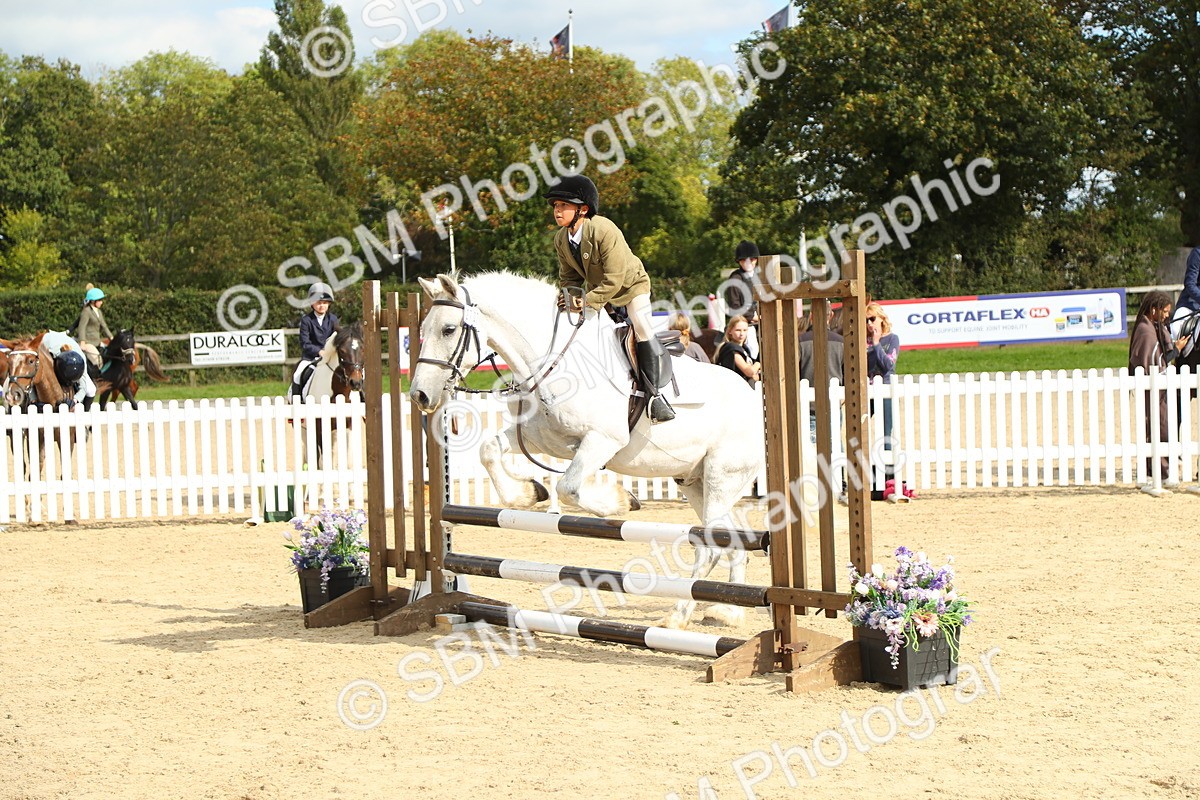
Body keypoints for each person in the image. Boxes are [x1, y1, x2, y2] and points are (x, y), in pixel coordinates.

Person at [546, 174, 675, 422]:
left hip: (630, 287)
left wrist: (586, 302)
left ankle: (655, 396)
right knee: (580, 330)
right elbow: (569, 278)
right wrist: (570, 299)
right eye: (555, 205)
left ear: (583, 209)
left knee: (641, 326)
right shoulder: (561, 239)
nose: (557, 210)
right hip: (600, 293)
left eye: (563, 205)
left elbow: (614, 279)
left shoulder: (604, 229)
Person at [1130, 290, 1189, 486]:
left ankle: (1157, 470)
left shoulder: (1152, 327)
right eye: (1164, 311)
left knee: (1160, 426)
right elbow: (1156, 362)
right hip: (1154, 388)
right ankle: (1161, 472)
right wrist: (1177, 350)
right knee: (1160, 427)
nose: (1166, 315)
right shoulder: (1146, 332)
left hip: (1157, 387)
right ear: (1154, 309)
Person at [290, 282, 339, 398]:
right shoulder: (306, 320)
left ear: (329, 304)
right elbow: (305, 343)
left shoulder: (333, 319)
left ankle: (362, 396)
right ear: (312, 303)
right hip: (311, 358)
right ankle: (296, 399)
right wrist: (319, 351)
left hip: (329, 357)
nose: (322, 305)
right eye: (319, 303)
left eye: (325, 303)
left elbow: (336, 338)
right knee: (298, 374)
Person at [865, 302, 900, 447]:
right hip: (868, 389)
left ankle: (888, 460)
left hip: (885, 388)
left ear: (881, 318)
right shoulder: (863, 340)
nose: (869, 323)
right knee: (861, 427)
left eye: (872, 319)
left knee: (886, 432)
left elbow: (888, 365)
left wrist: (876, 343)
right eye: (866, 320)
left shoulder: (892, 339)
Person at [40, 330, 97, 411]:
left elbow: (83, 388)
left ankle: (85, 413)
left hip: (67, 342)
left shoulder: (81, 360)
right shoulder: (52, 353)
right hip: (46, 341)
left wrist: (75, 400)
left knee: (91, 390)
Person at [724, 241, 761, 359]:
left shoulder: (761, 276)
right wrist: (755, 317)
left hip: (763, 321)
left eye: (752, 260)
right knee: (754, 350)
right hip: (746, 325)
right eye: (744, 260)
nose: (748, 263)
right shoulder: (735, 279)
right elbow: (735, 306)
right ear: (739, 261)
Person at [714, 315, 760, 387]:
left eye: (745, 330)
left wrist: (754, 374)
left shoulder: (745, 349)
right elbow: (749, 372)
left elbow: (755, 376)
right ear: (730, 331)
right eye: (738, 330)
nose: (741, 334)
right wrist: (758, 364)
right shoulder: (731, 348)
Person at [75, 286, 114, 371]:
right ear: (93, 301)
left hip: (97, 342)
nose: (101, 302)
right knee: (98, 362)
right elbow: (82, 327)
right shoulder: (86, 311)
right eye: (99, 300)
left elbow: (104, 326)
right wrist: (82, 341)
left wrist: (112, 338)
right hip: (88, 342)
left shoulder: (99, 312)